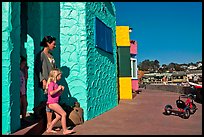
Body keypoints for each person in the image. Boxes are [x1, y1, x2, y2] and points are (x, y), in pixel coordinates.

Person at [45, 69, 74, 134]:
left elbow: (57, 94)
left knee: (58, 116)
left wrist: (61, 91)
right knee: (64, 114)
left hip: (54, 102)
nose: (61, 77)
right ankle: (65, 130)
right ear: (56, 76)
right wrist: (58, 89)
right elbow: (51, 93)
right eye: (60, 76)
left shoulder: (56, 84)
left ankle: (49, 129)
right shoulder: (51, 84)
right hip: (52, 103)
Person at [38, 36, 57, 130]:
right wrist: (43, 80)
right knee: (50, 102)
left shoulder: (51, 55)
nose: (55, 46)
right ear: (48, 43)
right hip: (47, 82)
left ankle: (50, 124)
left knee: (53, 101)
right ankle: (49, 124)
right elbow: (38, 69)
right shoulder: (41, 55)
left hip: (53, 82)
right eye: (53, 44)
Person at [20, 56, 28, 122]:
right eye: (23, 64)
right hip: (20, 92)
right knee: (21, 105)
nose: (24, 65)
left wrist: (26, 70)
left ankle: (24, 118)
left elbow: (26, 77)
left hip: (23, 91)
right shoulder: (18, 72)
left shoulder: (21, 72)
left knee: (25, 104)